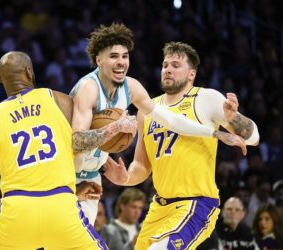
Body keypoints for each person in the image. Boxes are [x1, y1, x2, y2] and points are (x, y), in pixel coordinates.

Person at [70, 23, 248, 225]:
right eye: (113, 56)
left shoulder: (131, 87)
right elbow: (76, 141)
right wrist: (115, 127)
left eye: (124, 56)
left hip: (91, 179)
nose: (121, 62)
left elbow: (171, 120)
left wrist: (216, 134)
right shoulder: (88, 88)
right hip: (67, 175)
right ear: (99, 60)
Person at [104, 41, 260, 249]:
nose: (168, 69)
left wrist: (234, 120)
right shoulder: (148, 110)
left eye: (176, 65)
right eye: (165, 65)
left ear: (191, 75)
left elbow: (254, 138)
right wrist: (126, 178)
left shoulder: (206, 98)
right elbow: (142, 166)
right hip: (159, 208)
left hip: (196, 203)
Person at [0, 51, 107, 249]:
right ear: (29, 72)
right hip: (61, 207)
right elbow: (80, 143)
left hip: (17, 213)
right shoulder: (59, 100)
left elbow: (9, 174)